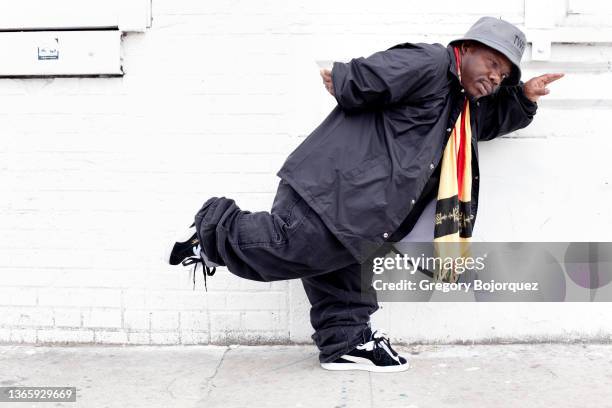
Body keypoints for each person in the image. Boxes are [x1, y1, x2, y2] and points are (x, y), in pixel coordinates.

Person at [166, 16, 563, 372]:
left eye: (504, 74)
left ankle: (347, 342)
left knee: (341, 274)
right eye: (493, 64)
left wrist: (523, 97)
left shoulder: (457, 106)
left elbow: (484, 122)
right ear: (466, 49)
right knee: (289, 243)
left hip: (362, 210)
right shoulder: (432, 63)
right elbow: (382, 72)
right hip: (335, 191)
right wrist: (347, 80)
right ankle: (214, 231)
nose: (496, 77)